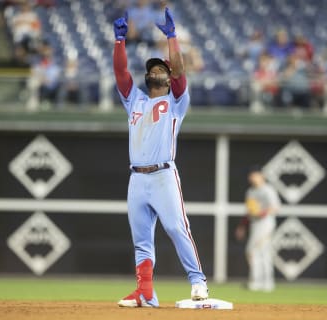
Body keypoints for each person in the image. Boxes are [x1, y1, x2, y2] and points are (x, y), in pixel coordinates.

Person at [113, 8, 208, 308]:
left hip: (164, 174)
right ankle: (146, 294)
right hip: (137, 178)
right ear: (148, 76)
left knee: (177, 228)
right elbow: (120, 73)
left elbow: (179, 71)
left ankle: (198, 281)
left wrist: (172, 37)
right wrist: (119, 41)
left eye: (162, 68)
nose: (157, 70)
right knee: (141, 241)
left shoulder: (176, 100)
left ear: (168, 78)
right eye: (153, 68)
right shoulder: (134, 100)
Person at [235, 166, 280, 292]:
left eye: (255, 175)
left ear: (262, 176)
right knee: (258, 252)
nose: (252, 178)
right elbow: (249, 211)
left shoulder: (268, 190)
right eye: (251, 176)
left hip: (266, 223)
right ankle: (261, 282)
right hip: (255, 224)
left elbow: (275, 208)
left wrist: (261, 213)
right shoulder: (250, 192)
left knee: (256, 250)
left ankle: (264, 282)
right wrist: (242, 226)